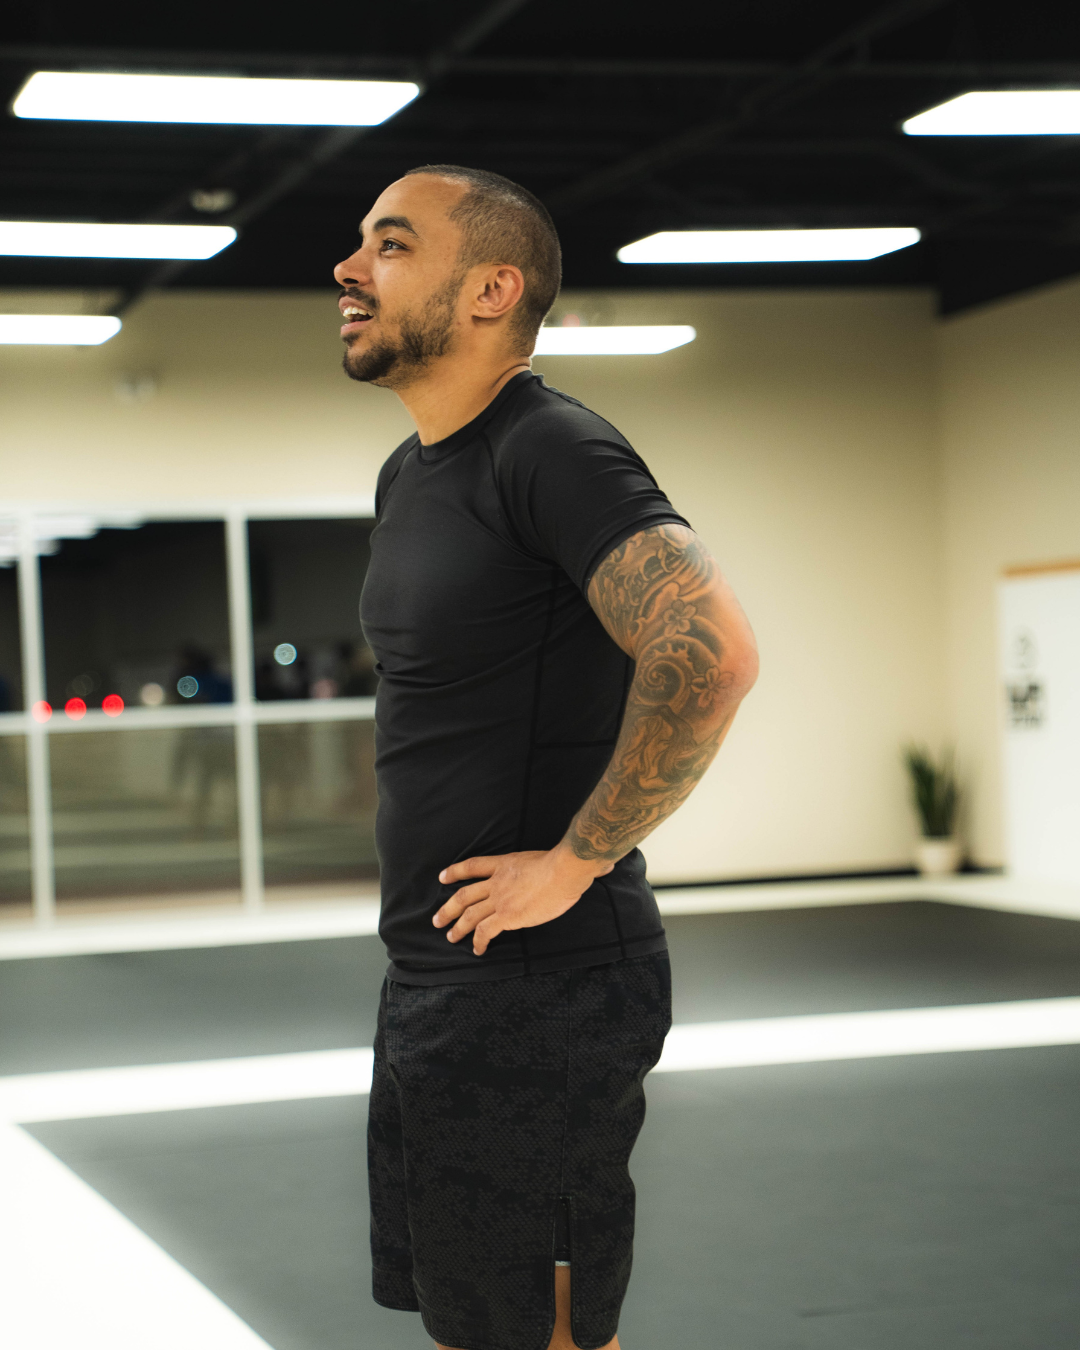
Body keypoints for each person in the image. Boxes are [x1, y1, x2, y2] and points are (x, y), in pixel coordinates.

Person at [336, 165, 758, 1350]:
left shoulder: (551, 448)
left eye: (391, 244)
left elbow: (710, 650)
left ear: (490, 289)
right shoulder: (413, 471)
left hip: (546, 986)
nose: (349, 267)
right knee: (477, 1326)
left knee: (549, 1337)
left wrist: (577, 859)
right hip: (438, 980)